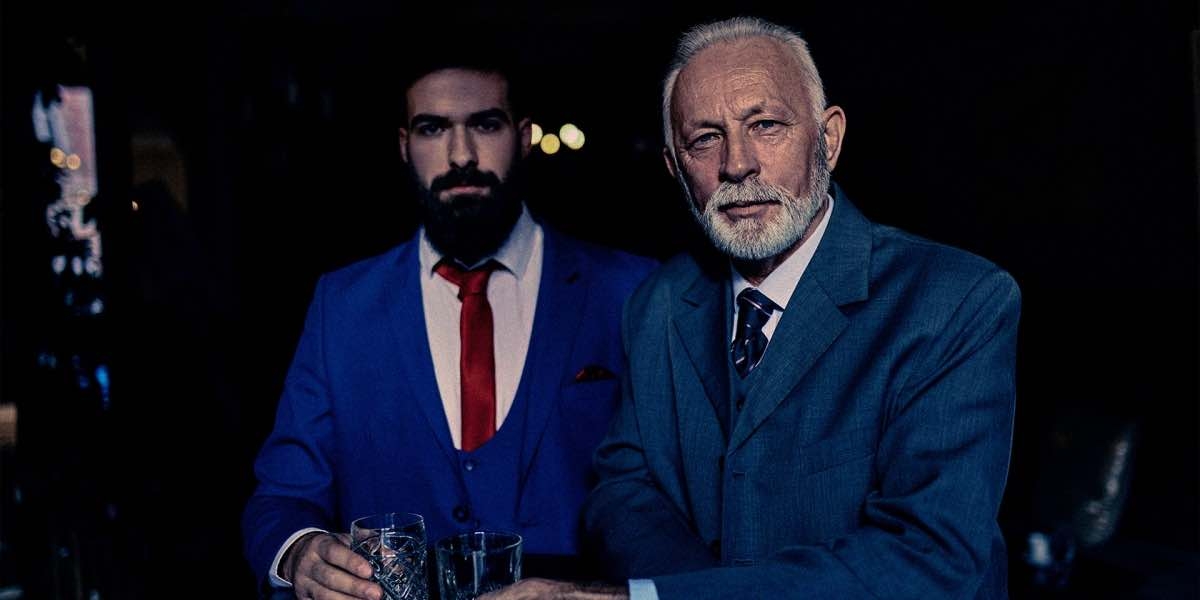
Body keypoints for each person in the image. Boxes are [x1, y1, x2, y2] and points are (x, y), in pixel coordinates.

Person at [490, 15, 1020, 600]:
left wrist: (665, 598)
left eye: (765, 125)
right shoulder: (658, 303)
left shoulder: (955, 300)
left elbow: (929, 559)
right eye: (705, 138)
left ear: (829, 138)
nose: (736, 164)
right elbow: (622, 491)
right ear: (675, 167)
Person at [241, 51, 656, 599]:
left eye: (485, 124)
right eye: (432, 128)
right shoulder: (341, 307)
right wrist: (300, 552)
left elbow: (683, 503)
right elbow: (281, 496)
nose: (461, 155)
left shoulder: (632, 292)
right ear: (403, 146)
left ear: (524, 136)